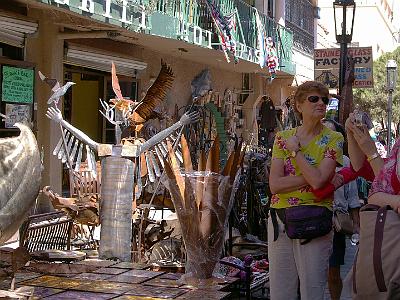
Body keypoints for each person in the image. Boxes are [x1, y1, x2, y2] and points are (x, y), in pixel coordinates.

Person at [268, 81, 344, 300]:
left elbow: (320, 182)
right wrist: (313, 176)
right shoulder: (283, 138)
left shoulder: (334, 139)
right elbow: (275, 185)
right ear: (299, 105)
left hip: (315, 220)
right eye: (314, 99)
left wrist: (296, 154)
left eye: (324, 100)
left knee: (312, 291)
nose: (321, 103)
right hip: (279, 219)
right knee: (281, 292)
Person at [323, 119, 360, 300]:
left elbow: (352, 196)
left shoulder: (344, 161)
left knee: (333, 272)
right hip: (311, 219)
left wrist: (357, 227)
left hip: (336, 223)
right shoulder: (308, 157)